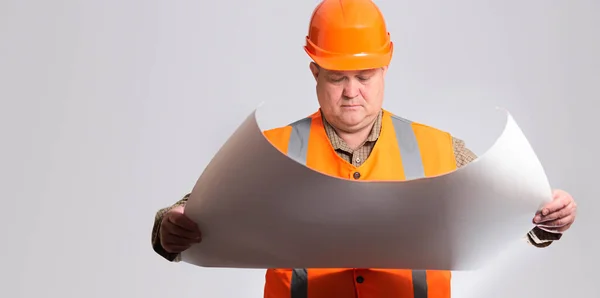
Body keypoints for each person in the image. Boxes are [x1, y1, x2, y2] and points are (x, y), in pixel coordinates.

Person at [150, 0, 578, 297]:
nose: (351, 92)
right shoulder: (267, 152)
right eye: (337, 77)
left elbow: (502, 216)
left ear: (385, 66)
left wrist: (545, 219)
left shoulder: (442, 151)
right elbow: (189, 213)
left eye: (365, 75)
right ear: (314, 71)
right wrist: (169, 230)